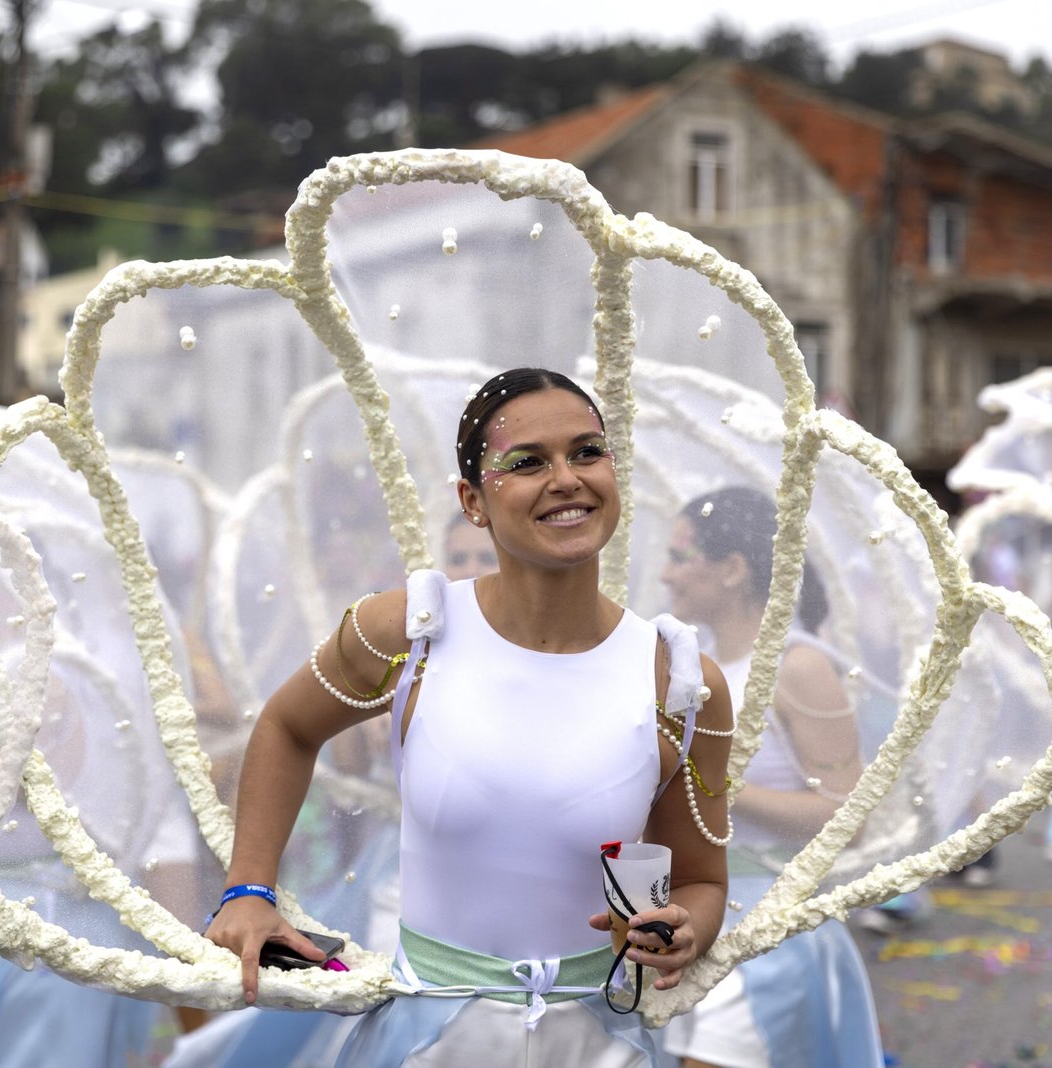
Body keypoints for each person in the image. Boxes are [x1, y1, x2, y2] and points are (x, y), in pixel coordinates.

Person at [206, 368, 734, 1066]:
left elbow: (703, 879)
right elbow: (286, 726)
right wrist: (248, 889)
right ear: (474, 502)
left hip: (601, 1047)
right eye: (526, 462)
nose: (566, 478)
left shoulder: (681, 680)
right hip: (426, 1043)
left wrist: (683, 928)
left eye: (587, 451)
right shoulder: (410, 632)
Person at [657, 487, 884, 1068]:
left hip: (764, 922)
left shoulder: (798, 666)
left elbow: (848, 819)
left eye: (681, 558)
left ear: (733, 569)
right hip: (679, 920)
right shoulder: (685, 666)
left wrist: (712, 787)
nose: (665, 575)